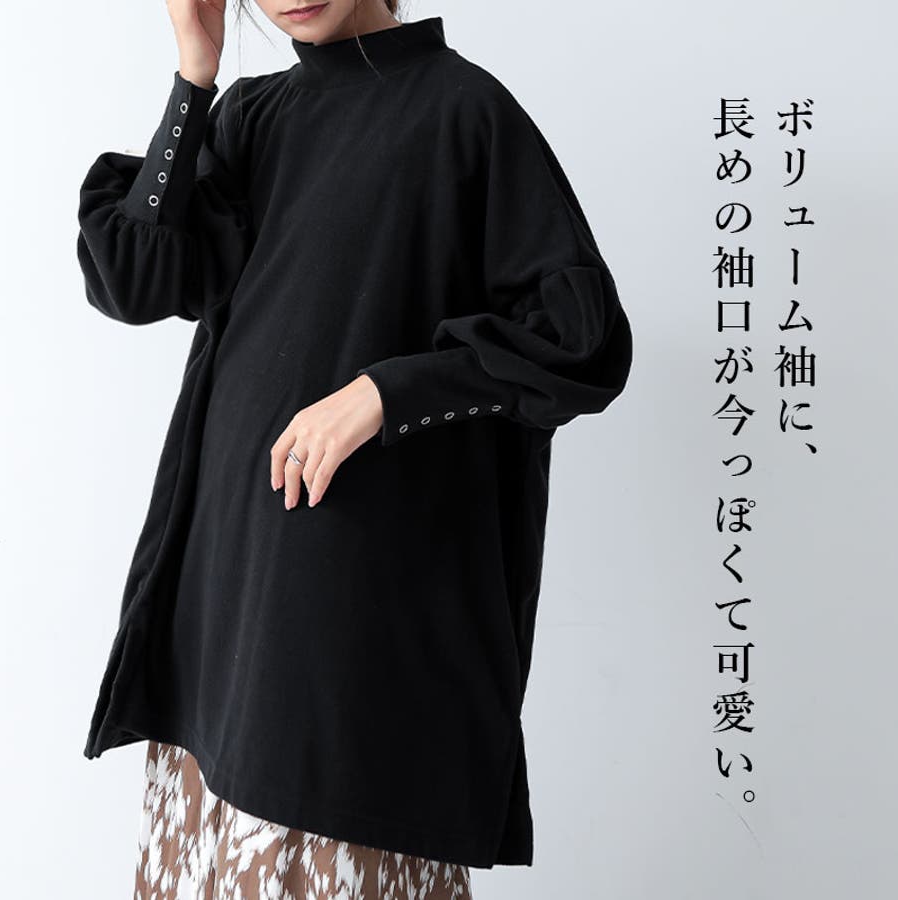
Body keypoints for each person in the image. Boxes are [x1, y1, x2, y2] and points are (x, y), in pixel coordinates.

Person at [76, 0, 633, 896]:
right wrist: (194, 73)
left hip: (350, 622)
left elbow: (582, 343)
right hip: (221, 604)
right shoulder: (251, 117)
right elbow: (136, 278)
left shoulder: (464, 111)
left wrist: (385, 395)